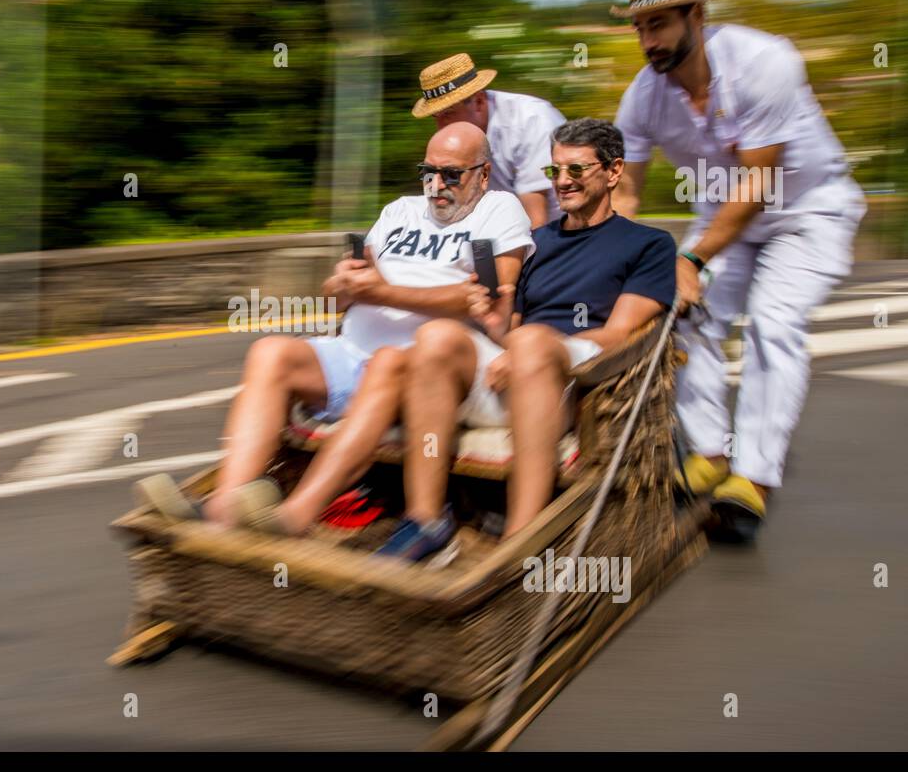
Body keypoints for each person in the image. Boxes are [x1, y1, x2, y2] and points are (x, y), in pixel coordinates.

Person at [134, 122, 534, 534]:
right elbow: (346, 291)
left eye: (451, 174)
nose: (436, 184)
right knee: (270, 353)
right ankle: (223, 504)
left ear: (483, 174)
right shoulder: (400, 210)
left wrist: (381, 293)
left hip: (424, 368)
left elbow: (490, 299)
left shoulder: (499, 210)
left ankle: (295, 516)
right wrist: (342, 284)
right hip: (352, 351)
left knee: (387, 362)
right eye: (427, 172)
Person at [609, 0, 866, 540]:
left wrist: (691, 260)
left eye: (659, 25)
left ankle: (754, 477)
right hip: (722, 215)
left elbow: (759, 185)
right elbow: (626, 190)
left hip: (806, 212)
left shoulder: (765, 62)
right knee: (684, 316)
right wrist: (620, 262)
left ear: (697, 17)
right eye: (639, 29)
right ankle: (710, 454)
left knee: (773, 324)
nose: (649, 41)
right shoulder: (642, 99)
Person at [385, 119, 675, 561]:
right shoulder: (535, 242)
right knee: (438, 335)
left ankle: (521, 541)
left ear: (614, 171)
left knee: (534, 340)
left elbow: (620, 334)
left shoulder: (648, 245)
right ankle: (425, 520)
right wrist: (495, 323)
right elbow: (510, 328)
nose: (562, 182)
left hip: (582, 378)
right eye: (554, 171)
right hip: (515, 373)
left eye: (575, 170)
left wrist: (530, 346)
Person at [414, 53, 567, 229]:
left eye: (449, 113)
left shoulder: (532, 121)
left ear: (478, 101)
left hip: (559, 236)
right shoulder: (460, 134)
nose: (441, 127)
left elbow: (535, 221)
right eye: (435, 116)